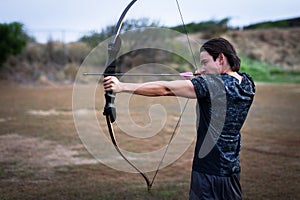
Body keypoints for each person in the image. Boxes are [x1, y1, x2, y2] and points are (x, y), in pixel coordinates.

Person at [103, 37, 255, 200]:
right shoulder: (247, 83)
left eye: (205, 62)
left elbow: (165, 89)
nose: (202, 68)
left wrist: (121, 86)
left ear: (221, 58)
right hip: (231, 169)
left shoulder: (211, 85)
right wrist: (201, 81)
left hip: (208, 170)